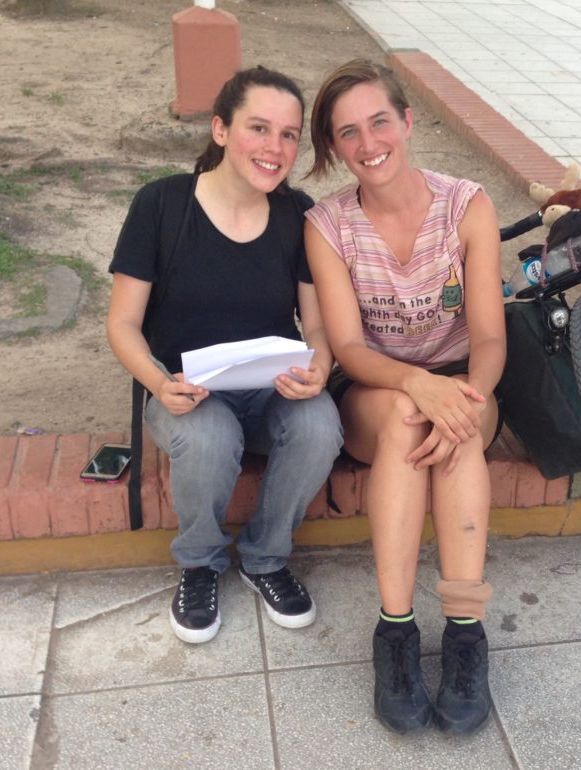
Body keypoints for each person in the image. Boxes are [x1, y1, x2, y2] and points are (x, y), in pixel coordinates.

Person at [106, 66, 344, 645]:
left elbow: (316, 322)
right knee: (209, 436)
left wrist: (320, 366)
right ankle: (199, 563)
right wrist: (160, 384)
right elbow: (123, 323)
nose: (275, 148)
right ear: (219, 129)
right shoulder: (161, 205)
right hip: (186, 391)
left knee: (320, 424)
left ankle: (265, 558)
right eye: (258, 128)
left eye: (289, 134)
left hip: (269, 387)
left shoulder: (296, 214)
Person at [304, 59, 505, 735]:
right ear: (335, 149)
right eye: (348, 133)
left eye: (379, 122)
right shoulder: (328, 225)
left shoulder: (467, 205)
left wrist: (465, 398)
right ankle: (394, 634)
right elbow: (352, 349)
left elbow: (488, 336)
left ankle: (465, 634)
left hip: (464, 381)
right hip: (375, 389)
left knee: (453, 434)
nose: (368, 143)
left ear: (408, 122)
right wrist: (419, 385)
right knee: (402, 416)